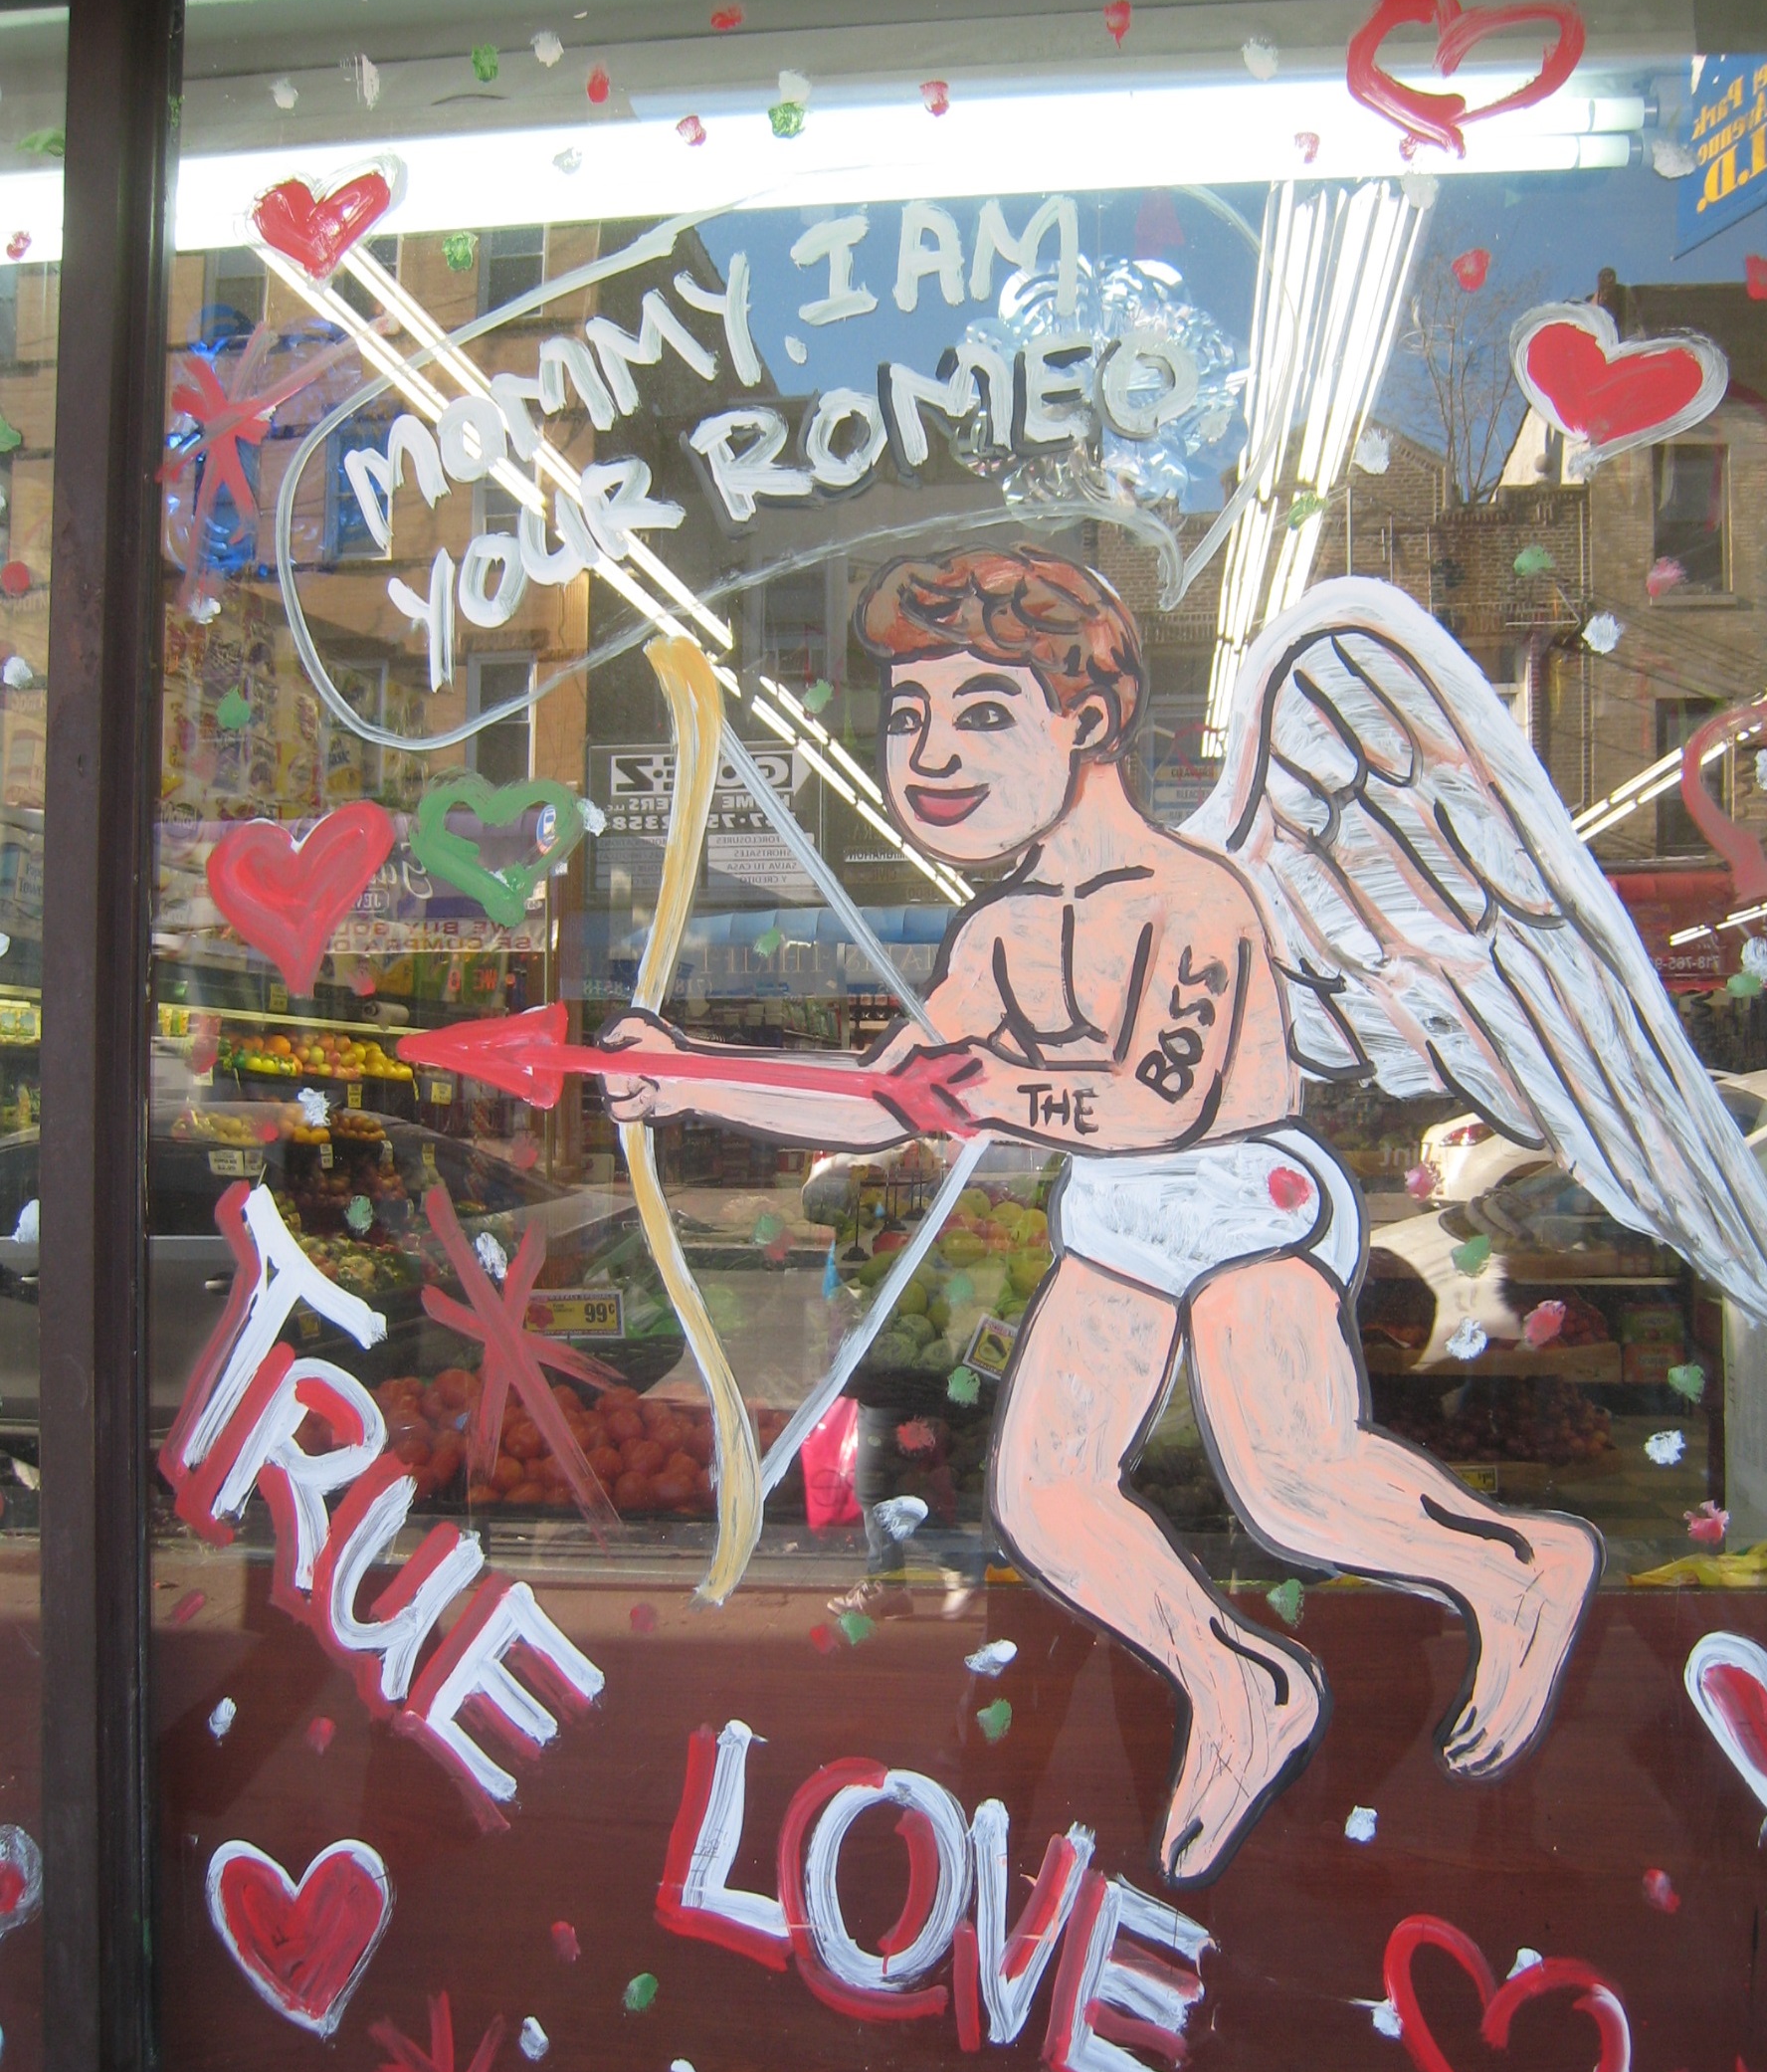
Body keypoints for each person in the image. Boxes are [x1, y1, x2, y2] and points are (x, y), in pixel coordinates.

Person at [601, 545, 1600, 1887]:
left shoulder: (1195, 897)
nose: (932, 752)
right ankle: (1236, 1680)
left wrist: (979, 1089)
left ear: (1085, 721)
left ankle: (1519, 1566)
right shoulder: (994, 938)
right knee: (1048, 1491)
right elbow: (889, 1099)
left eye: (981, 712)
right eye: (910, 715)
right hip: (1121, 1219)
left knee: (1293, 1478)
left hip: (1244, 1198)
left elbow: (1158, 1102)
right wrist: (691, 1078)